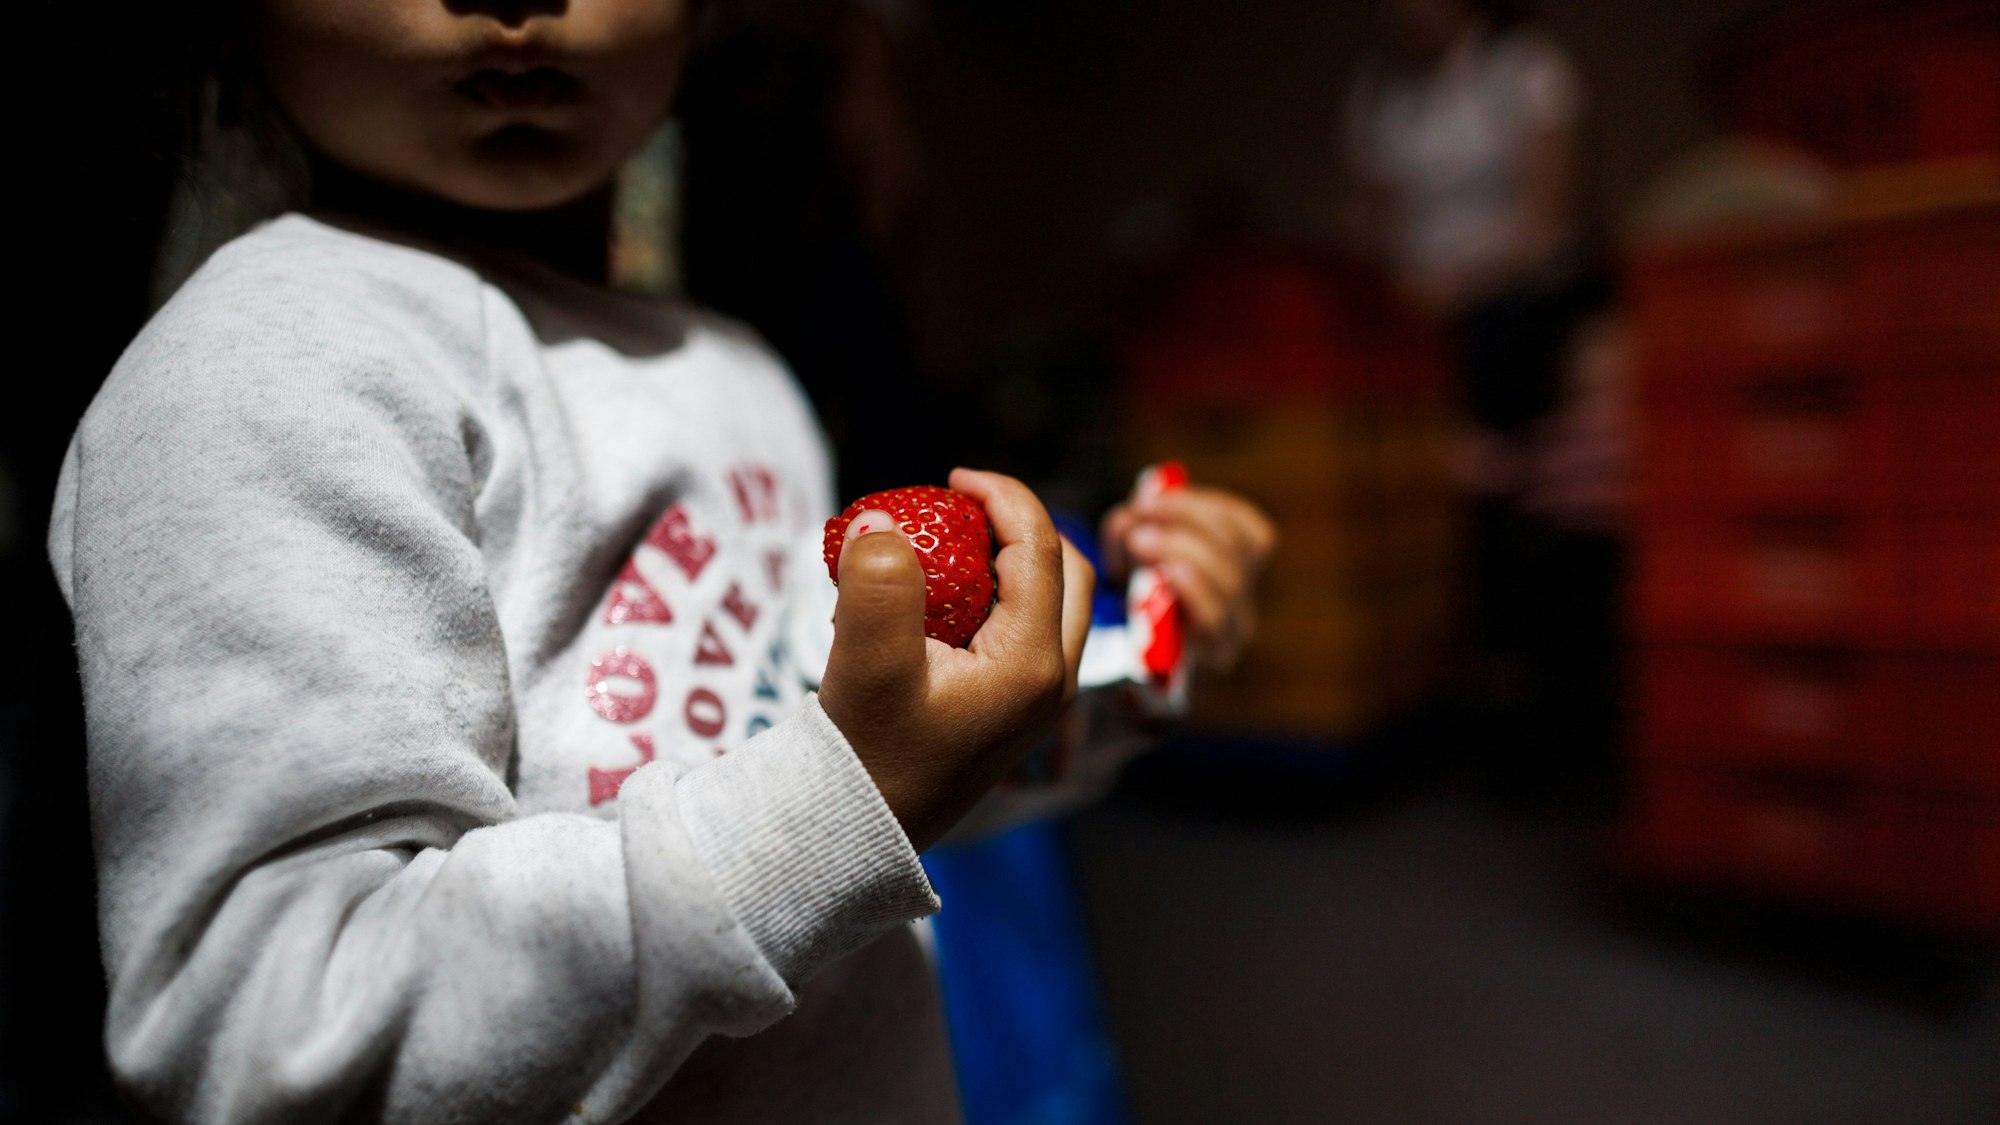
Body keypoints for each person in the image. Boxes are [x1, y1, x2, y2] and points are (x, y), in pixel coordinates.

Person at [48, 2, 1273, 1122]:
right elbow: (273, 1034)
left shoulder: (729, 368)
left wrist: (1107, 672)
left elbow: (848, 773)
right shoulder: (259, 373)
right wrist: (828, 808)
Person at [1342, 0, 1624, 799]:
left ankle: (1549, 725)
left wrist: (1449, 289)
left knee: (1531, 514)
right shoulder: (1378, 92)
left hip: (1519, 313)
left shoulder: (1528, 67)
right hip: (1416, 330)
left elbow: (1549, 219)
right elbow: (1370, 223)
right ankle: (1463, 715)